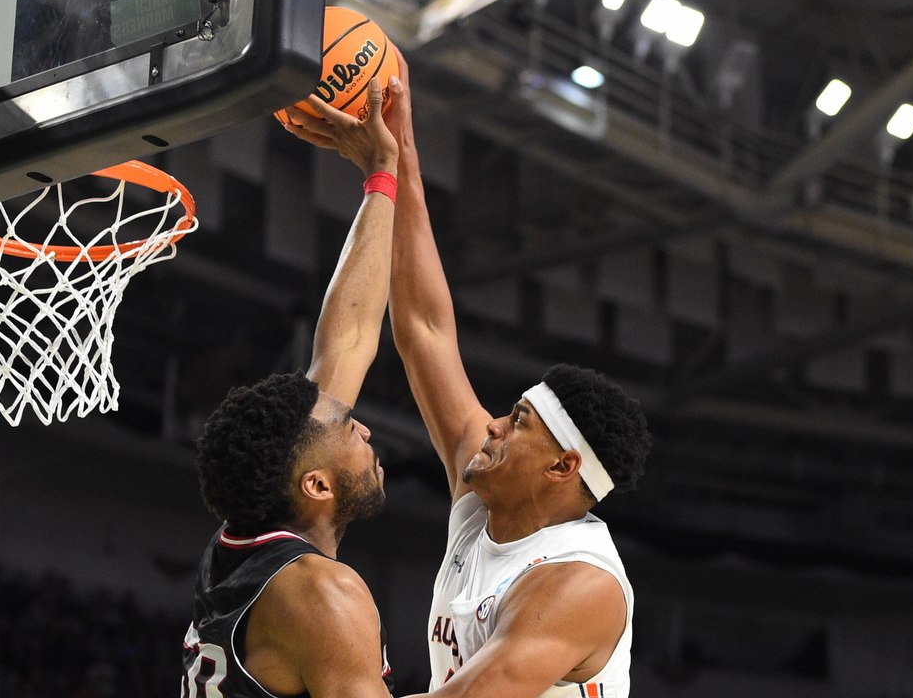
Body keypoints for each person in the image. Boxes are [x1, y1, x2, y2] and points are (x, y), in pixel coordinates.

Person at [386, 56, 652, 696]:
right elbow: (425, 329)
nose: (493, 425)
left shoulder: (577, 582)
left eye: (519, 422)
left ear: (563, 466)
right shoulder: (485, 498)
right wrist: (394, 159)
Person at [182, 77, 399, 698]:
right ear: (317, 486)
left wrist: (381, 175)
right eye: (344, 426)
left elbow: (349, 335)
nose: (361, 426)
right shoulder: (321, 593)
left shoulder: (240, 549)